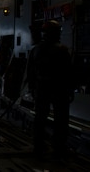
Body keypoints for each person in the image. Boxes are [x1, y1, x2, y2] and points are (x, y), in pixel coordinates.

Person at [26, 20, 75, 159]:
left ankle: (38, 146)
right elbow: (69, 73)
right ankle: (59, 147)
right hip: (60, 89)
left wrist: (32, 89)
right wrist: (70, 90)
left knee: (40, 118)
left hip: (42, 88)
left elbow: (30, 73)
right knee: (61, 119)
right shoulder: (62, 50)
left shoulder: (36, 50)